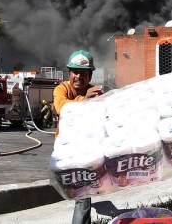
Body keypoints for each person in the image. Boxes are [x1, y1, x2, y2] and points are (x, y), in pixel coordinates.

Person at [53, 49, 103, 224]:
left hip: (87, 149)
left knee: (84, 192)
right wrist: (84, 100)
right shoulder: (62, 89)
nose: (78, 76)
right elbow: (62, 108)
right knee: (83, 193)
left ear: (90, 75)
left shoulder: (95, 93)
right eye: (75, 71)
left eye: (83, 72)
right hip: (67, 151)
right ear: (69, 73)